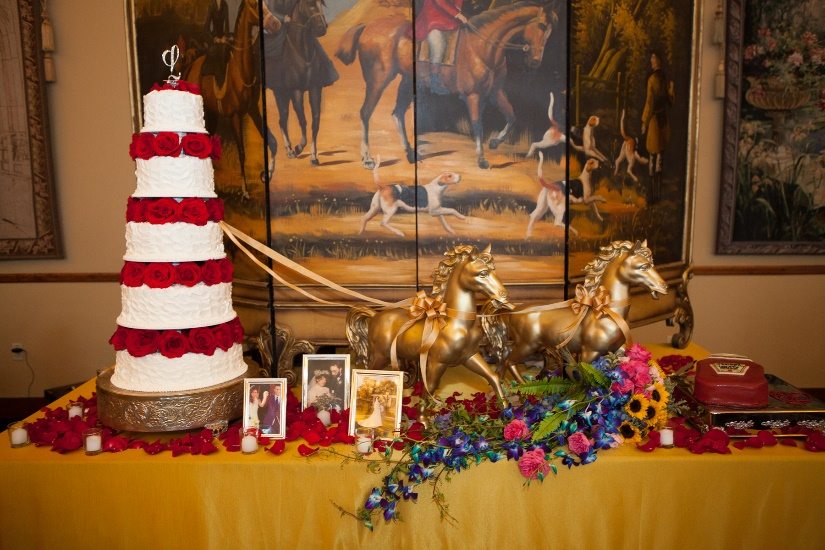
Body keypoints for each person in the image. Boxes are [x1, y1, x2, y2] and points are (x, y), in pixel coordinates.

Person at [641, 51, 675, 204]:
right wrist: (671, 90)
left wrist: (644, 122)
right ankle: (656, 196)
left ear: (659, 61)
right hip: (663, 121)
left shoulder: (652, 80)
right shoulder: (664, 79)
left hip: (656, 121)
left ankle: (653, 196)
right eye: (651, 59)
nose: (651, 61)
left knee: (653, 157)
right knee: (659, 156)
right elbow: (671, 101)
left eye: (654, 58)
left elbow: (649, 103)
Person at [414, 0, 469, 94]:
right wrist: (457, 14)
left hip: (450, 19)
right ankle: (434, 81)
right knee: (439, 45)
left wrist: (458, 11)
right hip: (432, 17)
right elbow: (440, 2)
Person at [202, 0, 230, 87]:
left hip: (223, 38)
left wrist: (226, 36)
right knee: (216, 53)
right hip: (214, 38)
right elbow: (206, 27)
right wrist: (215, 39)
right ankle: (218, 81)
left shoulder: (225, 5)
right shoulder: (211, 5)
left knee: (228, 51)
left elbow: (227, 24)